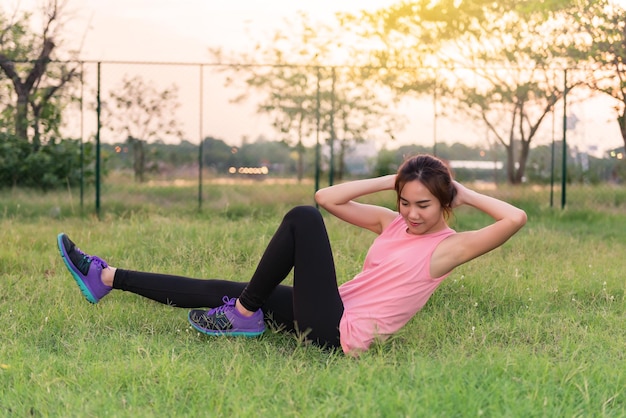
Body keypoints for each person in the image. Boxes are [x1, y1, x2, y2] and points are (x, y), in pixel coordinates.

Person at [57, 154, 526, 355]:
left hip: (339, 333)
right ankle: (106, 277)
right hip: (326, 311)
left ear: (444, 203)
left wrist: (461, 191)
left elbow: (514, 219)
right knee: (228, 290)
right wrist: (395, 180)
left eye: (423, 204)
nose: (411, 213)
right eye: (406, 202)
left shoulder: (448, 248)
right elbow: (330, 196)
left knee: (301, 218)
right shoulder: (393, 223)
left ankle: (242, 315)